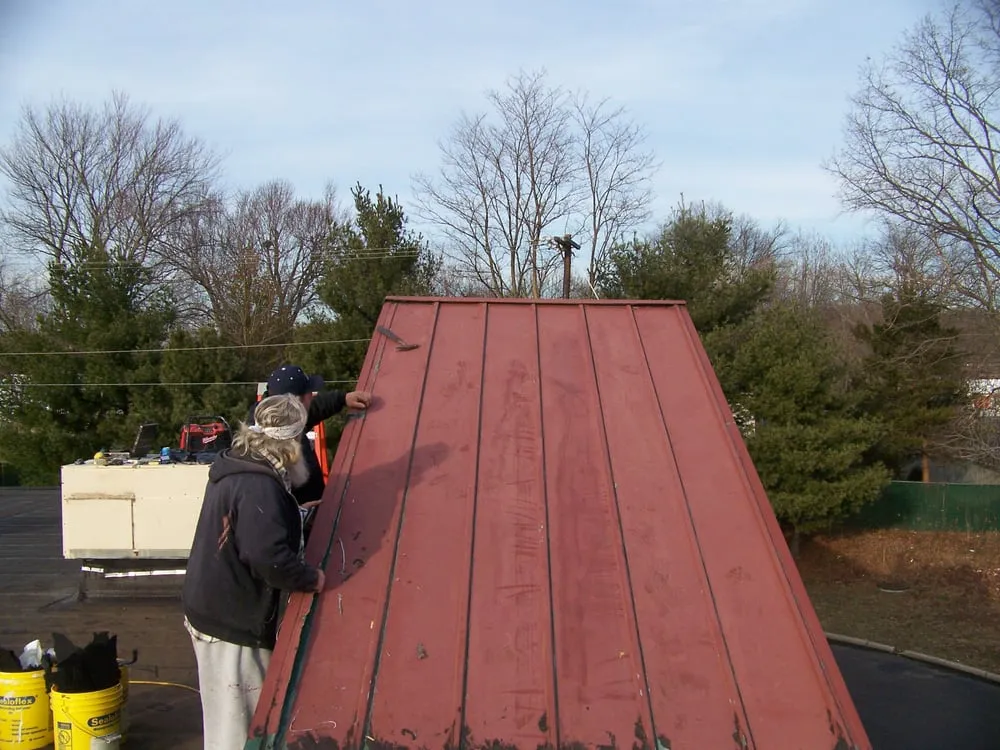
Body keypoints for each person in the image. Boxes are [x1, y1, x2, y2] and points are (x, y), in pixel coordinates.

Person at [182, 394, 326, 750]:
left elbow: (250, 526)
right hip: (231, 624)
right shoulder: (258, 485)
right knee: (238, 730)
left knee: (224, 717)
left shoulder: (242, 463)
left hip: (212, 608)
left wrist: (298, 514)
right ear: (292, 442)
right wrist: (311, 578)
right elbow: (268, 558)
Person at [253, 364, 372, 508]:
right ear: (297, 402)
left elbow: (315, 408)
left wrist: (343, 398)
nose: (312, 395)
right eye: (308, 392)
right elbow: (262, 506)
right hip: (299, 519)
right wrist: (299, 513)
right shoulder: (262, 449)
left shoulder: (279, 418)